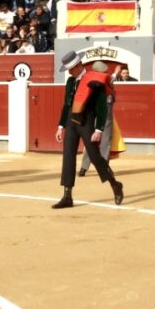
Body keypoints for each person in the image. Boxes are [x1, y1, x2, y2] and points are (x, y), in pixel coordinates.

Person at [53, 51, 124, 208]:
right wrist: (61, 126)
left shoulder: (94, 80)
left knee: (95, 156)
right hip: (71, 122)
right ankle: (67, 196)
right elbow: (67, 105)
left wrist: (99, 129)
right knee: (68, 156)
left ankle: (115, 184)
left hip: (87, 122)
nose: (69, 72)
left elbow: (101, 106)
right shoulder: (71, 81)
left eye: (71, 69)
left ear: (79, 65)